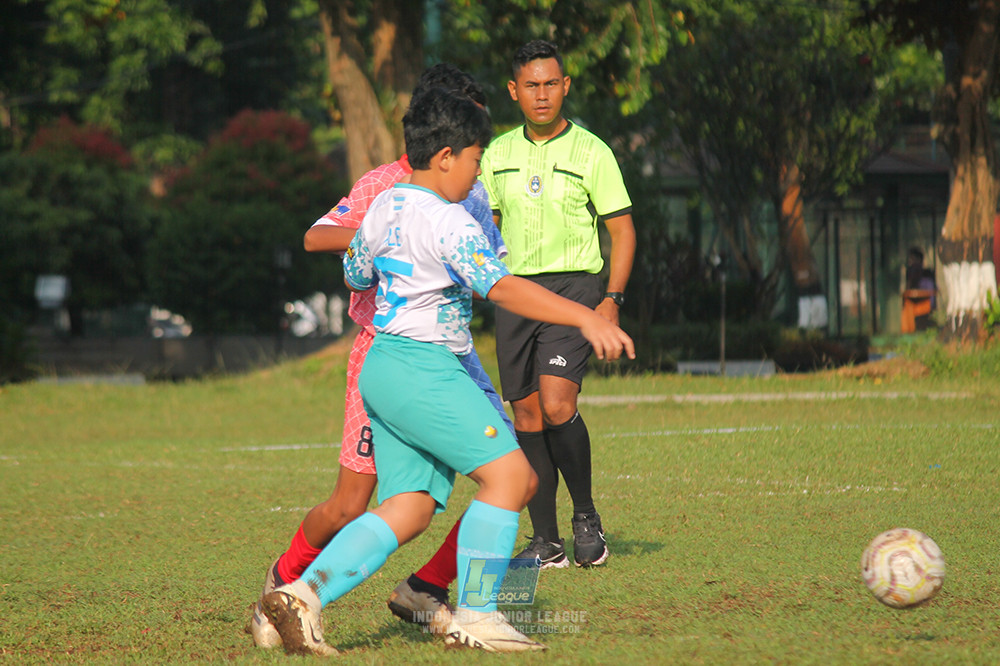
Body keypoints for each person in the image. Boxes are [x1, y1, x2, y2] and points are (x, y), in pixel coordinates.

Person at [260, 85, 634, 656]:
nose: (478, 173)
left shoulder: (383, 205)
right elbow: (501, 287)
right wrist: (585, 316)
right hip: (425, 366)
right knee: (511, 478)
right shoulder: (449, 221)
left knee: (409, 506)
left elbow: (356, 274)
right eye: (476, 160)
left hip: (382, 364)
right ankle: (478, 615)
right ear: (445, 157)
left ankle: (301, 595)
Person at [247, 64, 513, 650]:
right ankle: (284, 587)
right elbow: (317, 236)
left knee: (513, 473)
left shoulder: (473, 189)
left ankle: (428, 587)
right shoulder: (385, 186)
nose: (475, 149)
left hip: (452, 353)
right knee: (351, 503)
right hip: (389, 353)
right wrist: (393, 234)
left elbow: (492, 267)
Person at [479, 39, 636, 568]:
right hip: (514, 291)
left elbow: (622, 230)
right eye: (531, 85)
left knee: (556, 405)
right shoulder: (496, 154)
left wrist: (611, 299)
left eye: (551, 84)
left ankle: (586, 517)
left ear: (565, 86)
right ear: (513, 91)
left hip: (574, 290)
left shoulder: (593, 151)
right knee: (525, 413)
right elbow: (486, 226)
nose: (542, 94)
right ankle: (545, 541)